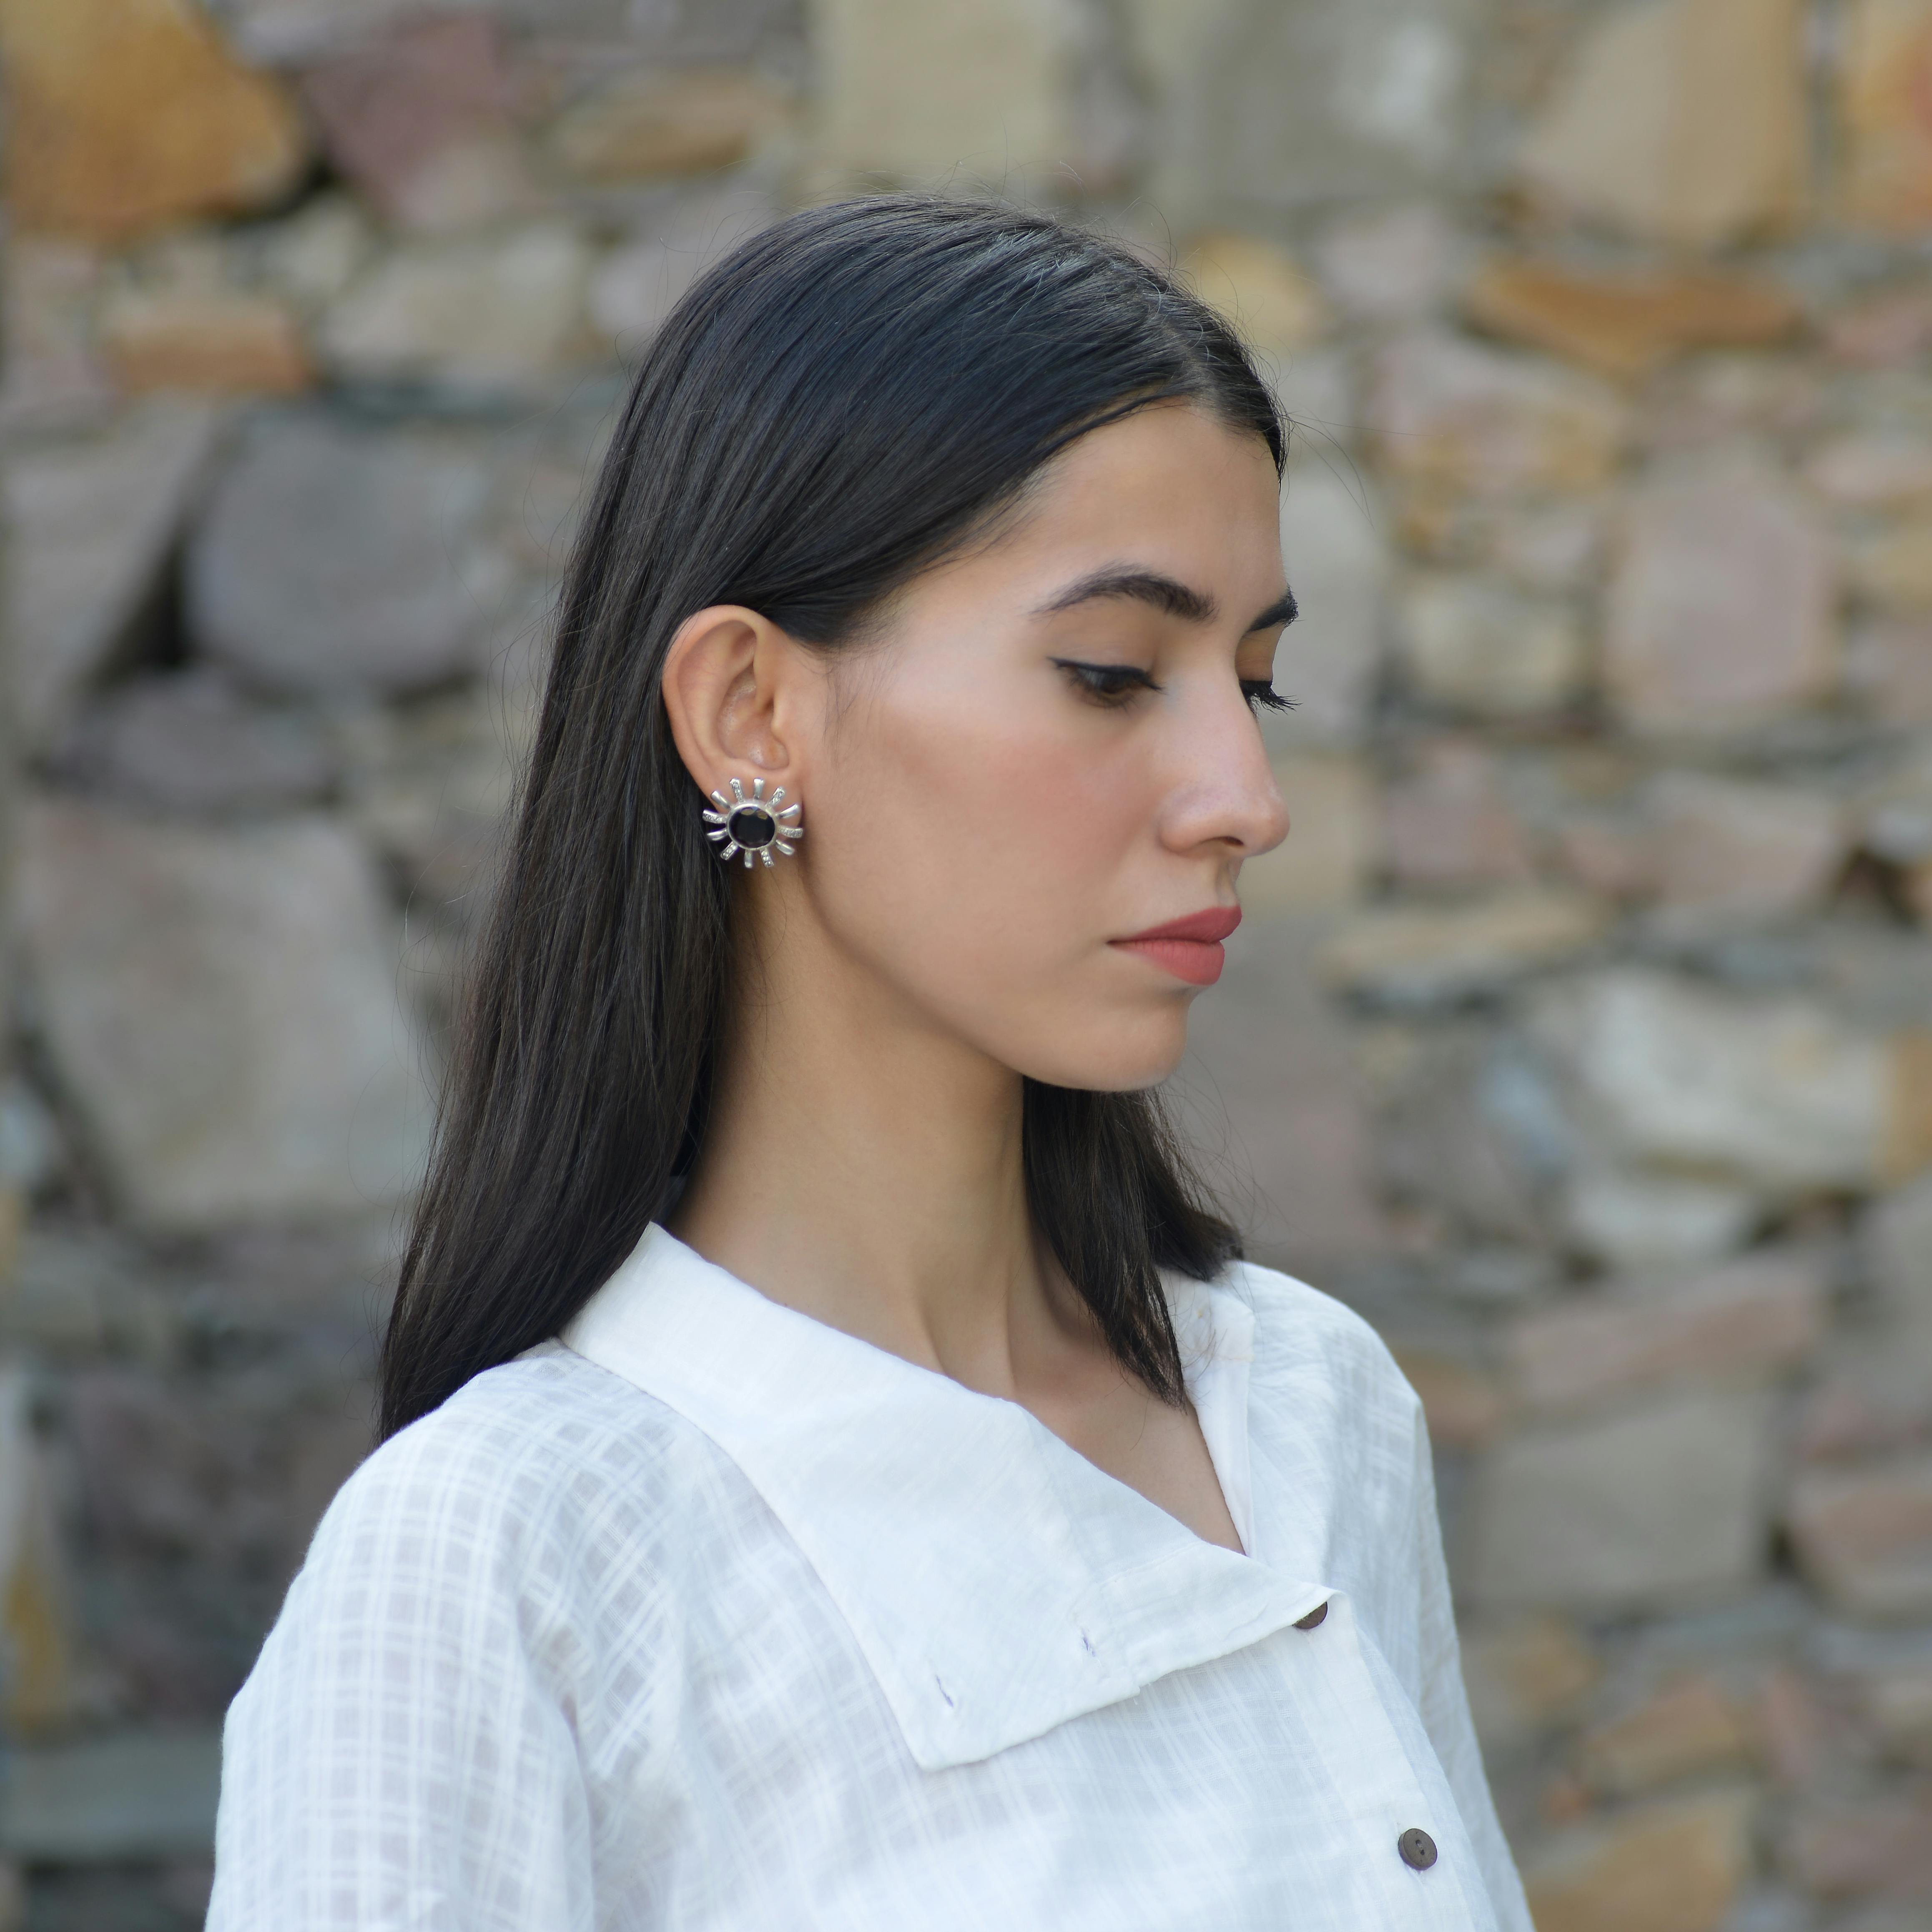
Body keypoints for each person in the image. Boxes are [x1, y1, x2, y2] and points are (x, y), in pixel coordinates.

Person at [208, 195, 1532, 1931]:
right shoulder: (506, 1557)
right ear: (753, 711)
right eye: (1111, 672)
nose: (1243, 797)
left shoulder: (1310, 1411)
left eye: (1255, 683)